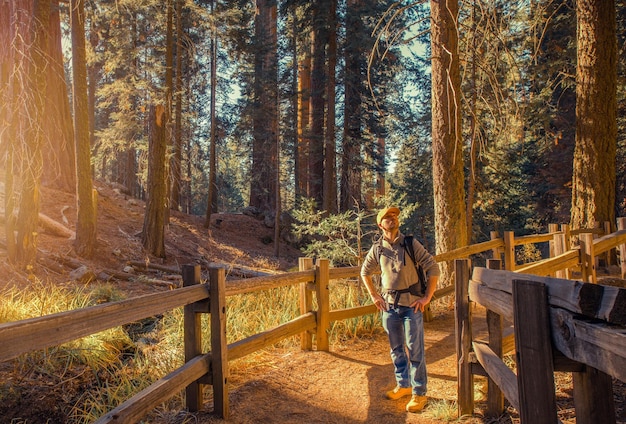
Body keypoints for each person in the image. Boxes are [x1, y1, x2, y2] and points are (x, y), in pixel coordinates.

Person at [360, 206, 439, 413]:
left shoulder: (410, 243)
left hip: (411, 305)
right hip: (389, 307)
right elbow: (364, 272)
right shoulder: (378, 248)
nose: (392, 218)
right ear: (380, 224)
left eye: (394, 215)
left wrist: (427, 297)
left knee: (415, 350)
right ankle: (403, 385)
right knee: (396, 351)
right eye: (387, 217)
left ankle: (419, 393)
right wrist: (374, 295)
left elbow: (433, 268)